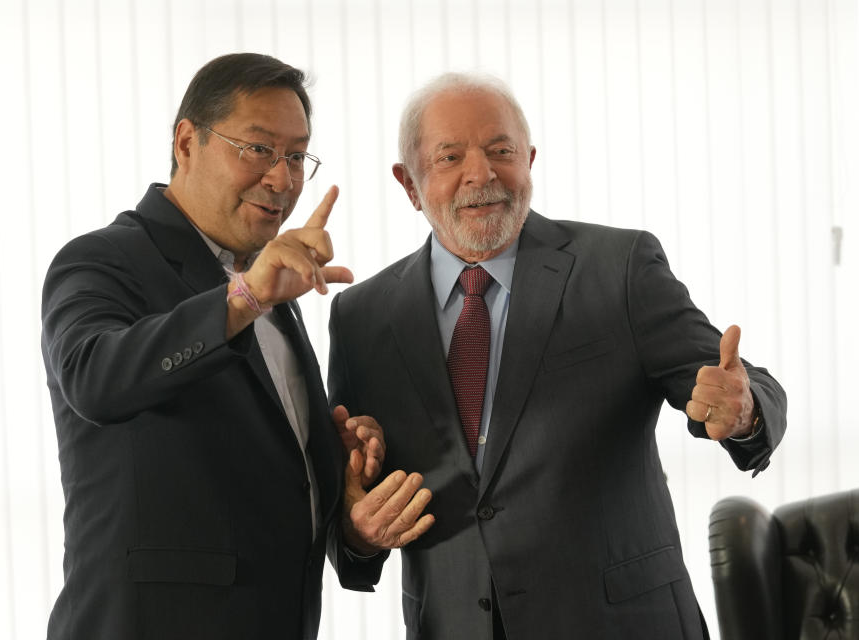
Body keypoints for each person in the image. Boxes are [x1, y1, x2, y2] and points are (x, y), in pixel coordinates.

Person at [328, 72, 787, 639]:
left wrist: (744, 411)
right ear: (409, 183)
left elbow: (745, 382)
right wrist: (358, 532)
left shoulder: (618, 267)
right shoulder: (362, 317)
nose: (482, 173)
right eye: (450, 157)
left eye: (502, 151)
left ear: (530, 160)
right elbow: (351, 505)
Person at [41, 52, 384, 640]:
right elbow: (95, 379)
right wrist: (245, 298)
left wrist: (347, 502)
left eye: (297, 156)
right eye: (257, 148)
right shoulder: (102, 258)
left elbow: (263, 476)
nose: (282, 179)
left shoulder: (276, 289)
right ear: (186, 143)